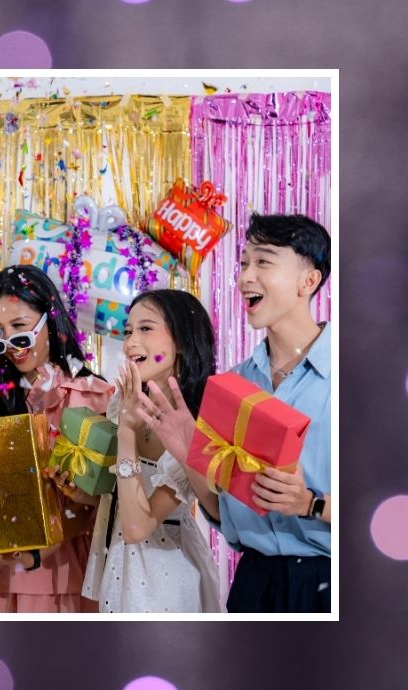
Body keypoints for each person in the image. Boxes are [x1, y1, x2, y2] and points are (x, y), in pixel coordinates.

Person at [139, 214, 331, 613]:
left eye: (263, 262)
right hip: (254, 583)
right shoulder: (231, 386)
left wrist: (310, 504)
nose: (246, 277)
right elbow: (221, 513)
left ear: (307, 281)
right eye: (244, 263)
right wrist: (188, 450)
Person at [0, 265, 113, 613]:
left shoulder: (93, 396)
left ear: (49, 321)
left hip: (65, 573)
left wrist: (36, 555)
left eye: (20, 328)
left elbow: (103, 501)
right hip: (1, 571)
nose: (11, 344)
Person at [79, 289, 222, 612]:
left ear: (182, 342)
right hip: (117, 566)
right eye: (128, 331)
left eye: (146, 329)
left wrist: (127, 430)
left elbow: (137, 527)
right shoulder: (123, 401)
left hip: (167, 577)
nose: (130, 342)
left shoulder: (198, 428)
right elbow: (114, 500)